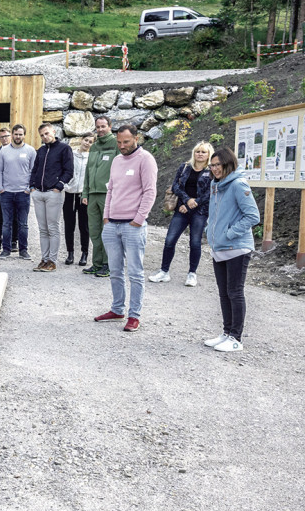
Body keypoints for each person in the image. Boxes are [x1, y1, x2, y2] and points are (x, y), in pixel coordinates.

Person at [94, 125, 157, 333]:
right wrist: (106, 217)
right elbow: (111, 189)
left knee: (135, 272)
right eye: (119, 142)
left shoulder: (145, 159)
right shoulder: (117, 160)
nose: (122, 146)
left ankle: (134, 315)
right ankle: (117, 309)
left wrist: (139, 219)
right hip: (112, 223)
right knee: (115, 271)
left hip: (133, 225)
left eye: (126, 142)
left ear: (136, 138)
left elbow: (150, 192)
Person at [203, 147, 260, 352]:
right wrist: (211, 230)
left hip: (237, 247)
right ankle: (227, 333)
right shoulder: (215, 185)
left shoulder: (238, 184)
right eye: (212, 165)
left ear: (228, 164)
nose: (215, 169)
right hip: (219, 247)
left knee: (235, 292)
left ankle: (236, 338)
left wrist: (229, 233)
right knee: (223, 293)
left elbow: (253, 216)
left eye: (218, 165)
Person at [149, 142, 214, 287]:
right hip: (182, 209)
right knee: (170, 240)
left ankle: (192, 274)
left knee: (195, 242)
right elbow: (175, 186)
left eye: (203, 152)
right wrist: (186, 200)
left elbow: (211, 191)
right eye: (198, 151)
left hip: (200, 211)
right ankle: (164, 272)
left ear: (209, 154)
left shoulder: (211, 170)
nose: (200, 154)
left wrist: (194, 203)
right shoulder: (185, 167)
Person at [28, 123, 74, 272]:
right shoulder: (41, 150)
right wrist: (32, 186)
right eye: (42, 135)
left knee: (53, 227)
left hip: (53, 193)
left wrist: (59, 185)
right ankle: (44, 259)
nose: (45, 137)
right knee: (43, 229)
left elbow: (69, 170)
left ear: (54, 131)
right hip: (39, 193)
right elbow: (35, 170)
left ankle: (52, 261)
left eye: (47, 133)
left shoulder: (64, 149)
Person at [82, 116, 118, 277]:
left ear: (110, 127)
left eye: (103, 126)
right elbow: (88, 172)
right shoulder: (94, 146)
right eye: (98, 127)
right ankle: (96, 263)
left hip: (108, 195)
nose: (100, 129)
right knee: (94, 230)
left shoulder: (117, 145)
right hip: (92, 195)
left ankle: (108, 264)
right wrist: (85, 193)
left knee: (108, 231)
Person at [0, 124, 35, 260]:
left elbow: (33, 171)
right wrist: (0, 187)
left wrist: (29, 188)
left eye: (20, 134)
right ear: (12, 135)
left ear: (24, 135)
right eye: (16, 134)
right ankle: (6, 249)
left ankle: (23, 250)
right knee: (6, 223)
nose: (18, 137)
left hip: (23, 193)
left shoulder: (30, 151)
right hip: (6, 193)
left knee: (23, 223)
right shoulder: (4, 151)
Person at [63, 134, 93, 266]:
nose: (87, 143)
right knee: (69, 225)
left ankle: (84, 253)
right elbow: (65, 170)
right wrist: (65, 185)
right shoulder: (72, 155)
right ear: (81, 140)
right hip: (70, 193)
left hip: (83, 194)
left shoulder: (92, 158)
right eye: (86, 140)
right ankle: (70, 253)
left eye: (90, 142)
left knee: (84, 226)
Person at [0, 128, 18, 253]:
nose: (4, 139)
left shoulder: (18, 150)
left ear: (11, 136)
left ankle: (14, 242)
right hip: (1, 189)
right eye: (2, 137)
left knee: (15, 216)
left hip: (15, 188)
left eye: (6, 136)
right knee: (0, 216)